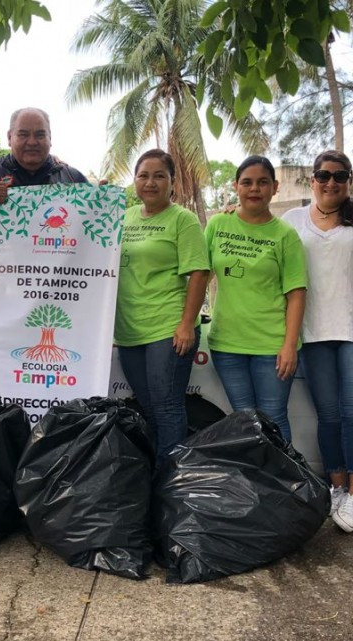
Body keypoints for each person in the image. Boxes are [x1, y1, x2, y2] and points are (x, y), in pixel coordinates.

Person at [282, 150, 353, 534]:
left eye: (340, 176)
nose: (331, 182)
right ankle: (336, 487)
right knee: (328, 417)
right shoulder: (292, 221)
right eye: (324, 175)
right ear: (312, 179)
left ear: (349, 180)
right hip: (313, 335)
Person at [115, 149, 210, 466]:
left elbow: (199, 273)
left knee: (167, 407)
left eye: (159, 176)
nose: (150, 182)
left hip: (167, 328)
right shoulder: (125, 217)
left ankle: (170, 481)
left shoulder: (183, 220)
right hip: (129, 330)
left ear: (172, 182)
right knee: (149, 407)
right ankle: (162, 471)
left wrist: (186, 324)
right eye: (143, 175)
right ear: (134, 181)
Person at [203, 155, 306, 442]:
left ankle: (282, 472)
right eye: (247, 182)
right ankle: (254, 473)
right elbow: (201, 277)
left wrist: (289, 345)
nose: (254, 189)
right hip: (227, 343)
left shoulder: (285, 235)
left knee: (273, 419)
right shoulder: (217, 225)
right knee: (244, 419)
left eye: (262, 183)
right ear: (236, 186)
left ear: (275, 187)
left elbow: (297, 293)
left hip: (272, 345)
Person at [0, 107, 89, 289]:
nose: (32, 142)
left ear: (50, 138)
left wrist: (102, 201)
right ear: (9, 137)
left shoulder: (72, 178)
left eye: (40, 135)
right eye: (23, 134)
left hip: (57, 292)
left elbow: (91, 235)